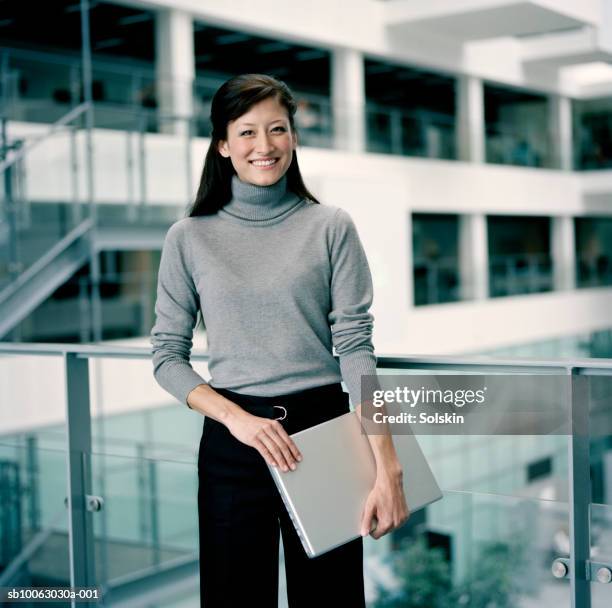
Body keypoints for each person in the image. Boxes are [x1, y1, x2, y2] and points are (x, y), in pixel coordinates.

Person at [150, 73, 409, 608]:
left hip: (326, 433)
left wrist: (389, 464)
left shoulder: (331, 225)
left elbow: (356, 349)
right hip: (233, 441)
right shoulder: (189, 237)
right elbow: (166, 358)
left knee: (331, 598)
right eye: (246, 133)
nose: (263, 146)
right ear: (223, 144)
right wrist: (236, 420)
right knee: (233, 597)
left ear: (293, 138)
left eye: (277, 130)